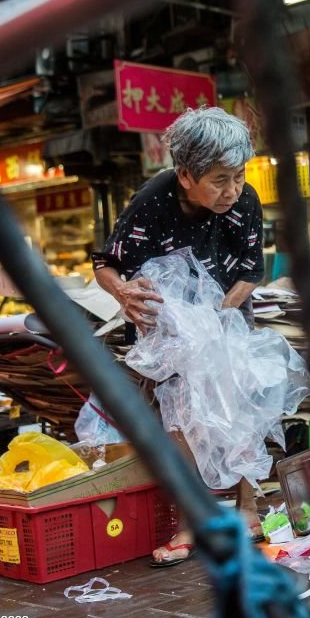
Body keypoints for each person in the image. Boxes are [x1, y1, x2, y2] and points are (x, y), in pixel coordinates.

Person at [93, 107, 267, 566]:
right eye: (219, 180)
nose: (233, 190)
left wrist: (217, 321)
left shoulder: (245, 201)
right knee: (180, 418)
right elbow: (105, 263)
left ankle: (248, 510)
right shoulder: (152, 202)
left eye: (239, 176)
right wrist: (123, 293)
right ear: (186, 175)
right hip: (166, 327)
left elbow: (252, 271)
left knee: (242, 403)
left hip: (226, 313)